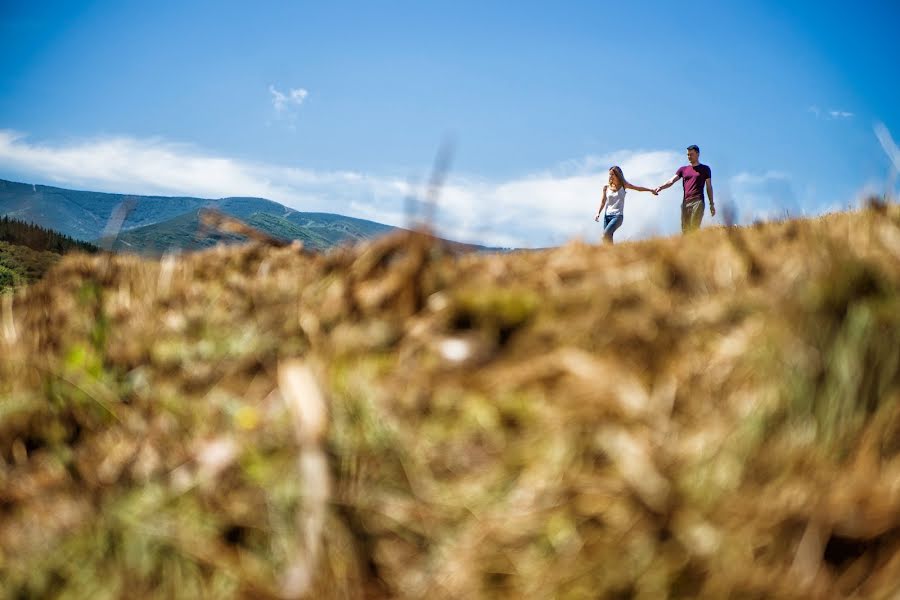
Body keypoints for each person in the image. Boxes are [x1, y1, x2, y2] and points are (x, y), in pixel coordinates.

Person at [654, 145, 715, 233]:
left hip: (698, 201)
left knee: (694, 228)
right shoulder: (683, 169)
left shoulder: (705, 169)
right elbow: (671, 181)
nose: (689, 157)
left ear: (698, 154)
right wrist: (660, 187)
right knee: (685, 230)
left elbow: (709, 186)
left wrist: (711, 204)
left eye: (691, 154)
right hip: (685, 202)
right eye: (688, 155)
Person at [594, 165, 657, 243]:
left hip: (617, 216)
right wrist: (598, 213)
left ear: (618, 175)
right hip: (606, 216)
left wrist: (650, 190)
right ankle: (611, 254)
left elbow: (638, 188)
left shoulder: (624, 185)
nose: (610, 176)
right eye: (609, 174)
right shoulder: (606, 187)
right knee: (607, 240)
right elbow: (603, 201)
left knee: (605, 235)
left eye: (612, 174)